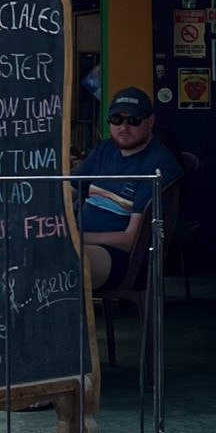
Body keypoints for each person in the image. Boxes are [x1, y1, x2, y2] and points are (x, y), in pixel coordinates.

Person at [74, 87, 181, 292]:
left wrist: (76, 237)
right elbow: (67, 190)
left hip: (123, 258)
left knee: (64, 264)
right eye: (116, 119)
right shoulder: (105, 149)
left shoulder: (157, 165)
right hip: (82, 243)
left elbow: (131, 240)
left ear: (150, 121)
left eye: (133, 120)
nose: (124, 127)